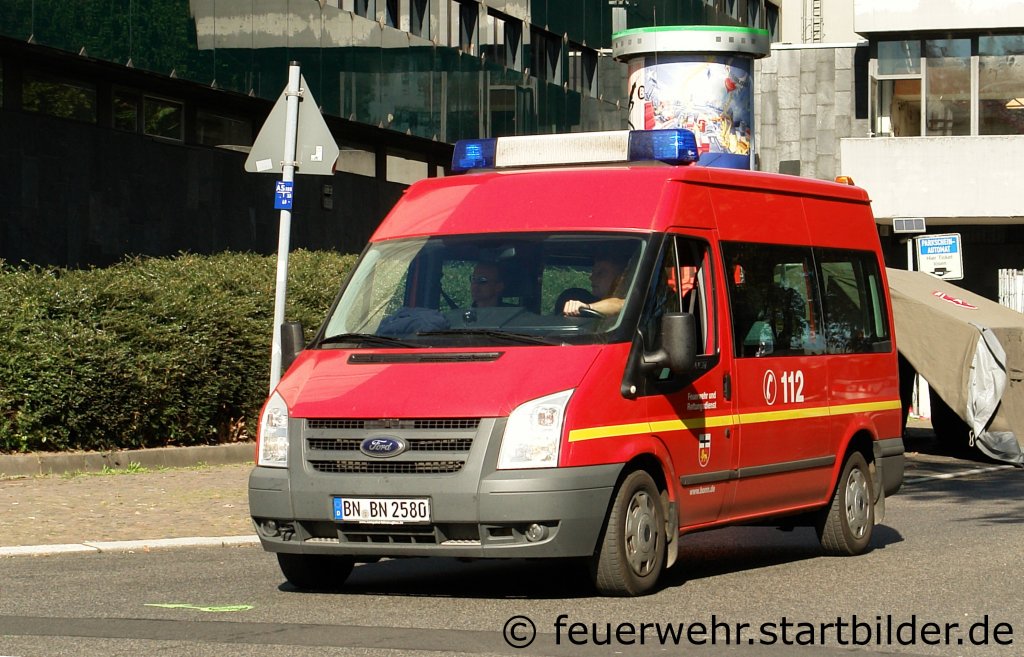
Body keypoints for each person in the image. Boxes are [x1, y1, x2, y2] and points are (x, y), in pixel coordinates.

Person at [562, 255, 628, 317]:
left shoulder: (632, 302)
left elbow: (622, 305)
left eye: (600, 273)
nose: (592, 278)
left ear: (620, 278)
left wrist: (588, 307)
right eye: (593, 272)